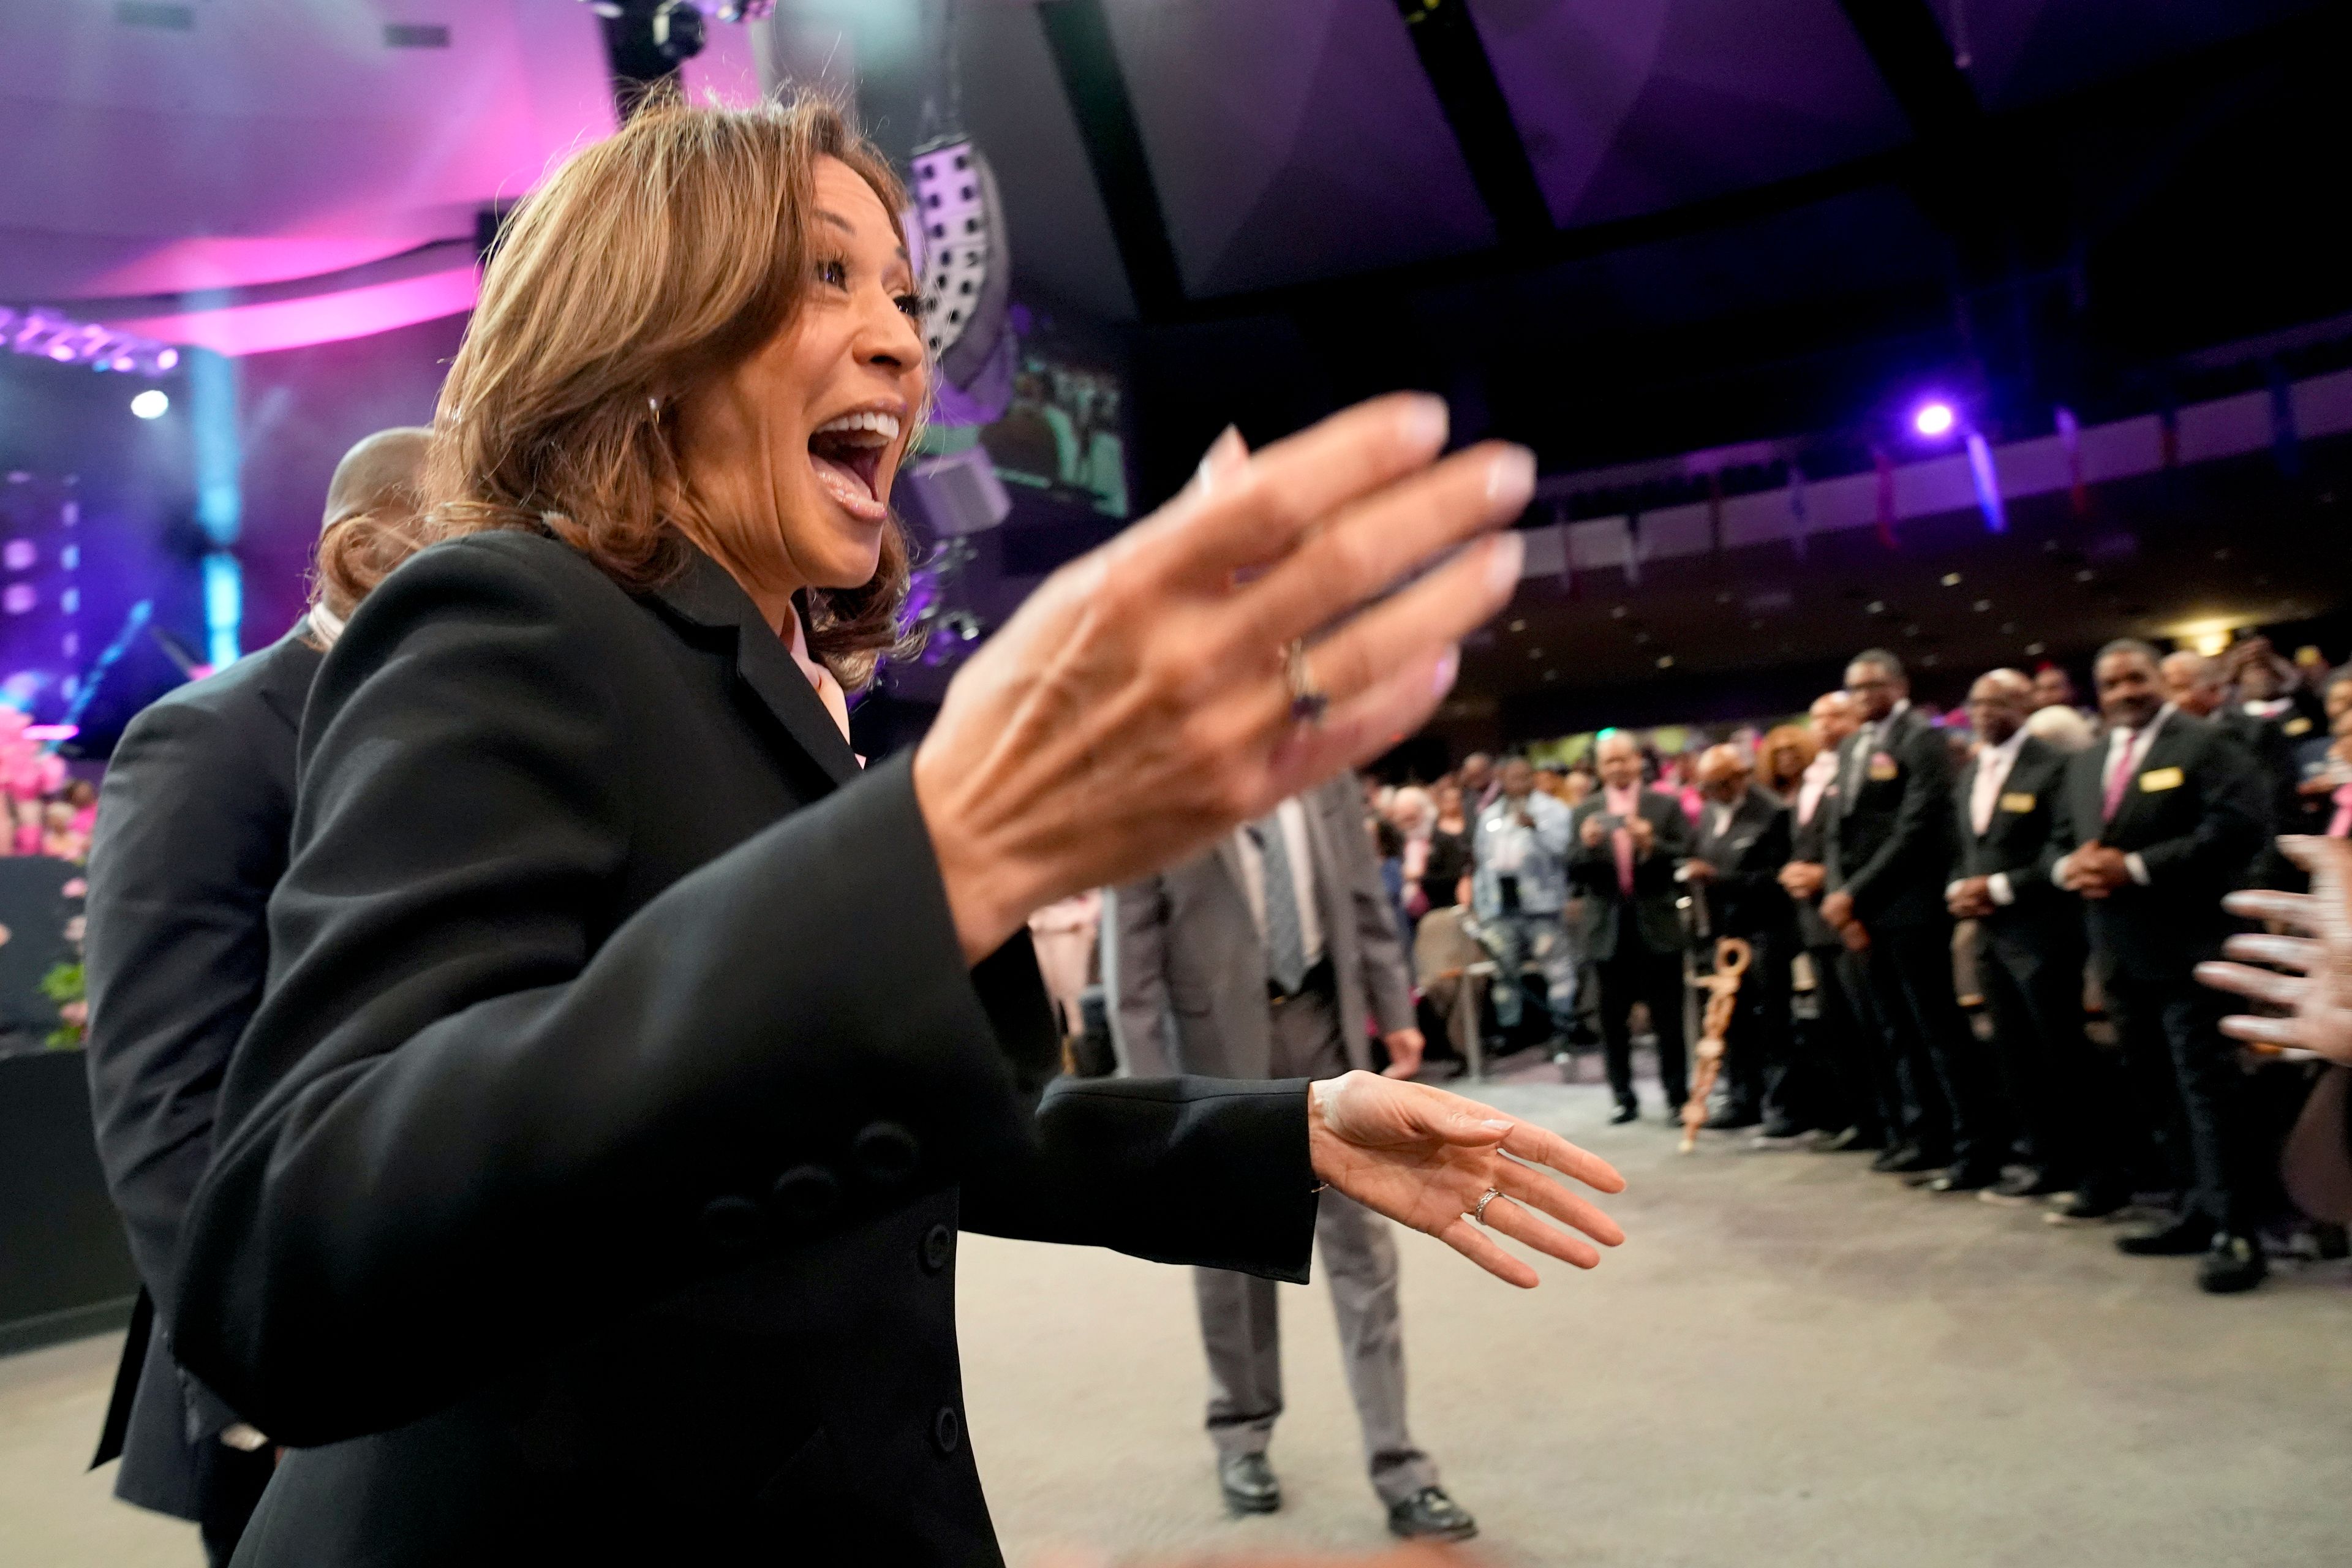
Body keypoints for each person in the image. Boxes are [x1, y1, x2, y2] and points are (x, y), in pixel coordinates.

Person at [164, 100, 1624, 1566]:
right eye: (825, 276)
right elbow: (294, 1252)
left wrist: (1279, 1131)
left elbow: (855, 1104)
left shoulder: (779, 679)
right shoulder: (503, 615)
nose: (904, 344)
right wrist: (944, 846)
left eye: (910, 300)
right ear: (646, 329)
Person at [81, 426, 431, 1566]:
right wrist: (262, 1393)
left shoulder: (472, 730)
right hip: (295, 1388)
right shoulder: (207, 742)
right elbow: (162, 1100)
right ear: (364, 554)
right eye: (484, 537)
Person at [1110, 779, 1471, 1542]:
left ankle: (1401, 1466)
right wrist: (1154, 1101)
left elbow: (1364, 903)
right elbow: (1131, 970)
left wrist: (1396, 1013)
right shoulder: (1155, 787)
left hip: (1326, 1039)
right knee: (1233, 1256)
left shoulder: (1328, 779)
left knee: (1366, 1255)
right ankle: (1241, 1433)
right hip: (1214, 1065)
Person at [2052, 639, 2268, 1292]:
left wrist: (2137, 867)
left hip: (2193, 948)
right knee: (2157, 1089)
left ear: (2161, 680)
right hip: (2119, 953)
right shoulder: (2087, 763)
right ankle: (2194, 1211)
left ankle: (2238, 1230)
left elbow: (2237, 828)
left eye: (2136, 678)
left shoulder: (2205, 744)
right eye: (2111, 683)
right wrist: (2074, 867)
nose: (2125, 692)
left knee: (2207, 1091)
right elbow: (2065, 841)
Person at [1820, 650, 2007, 1189]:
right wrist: (1841, 895)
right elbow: (1837, 830)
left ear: (1899, 685)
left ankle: (1973, 1149)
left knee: (1937, 1031)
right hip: (1863, 910)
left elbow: (1917, 825)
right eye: (1854, 688)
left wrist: (1852, 892)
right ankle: (1923, 1138)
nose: (1862, 697)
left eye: (1872, 686)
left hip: (1910, 905)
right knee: (1895, 1031)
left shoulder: (1921, 739)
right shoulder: (1854, 744)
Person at [1943, 670, 2122, 1214]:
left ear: (2023, 705)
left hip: (2044, 931)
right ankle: (2048, 1164)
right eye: (1976, 703)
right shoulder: (1974, 771)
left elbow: (2062, 847)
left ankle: (2100, 1176)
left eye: (1998, 703)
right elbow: (1966, 848)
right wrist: (1959, 887)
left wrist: (1998, 887)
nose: (1984, 712)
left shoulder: (2056, 765)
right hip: (1992, 937)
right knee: (2015, 1057)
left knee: (2064, 1056)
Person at [1570, 732, 1694, 1125]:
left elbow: (1686, 855)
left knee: (1668, 1020)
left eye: (1624, 759)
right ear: (1600, 768)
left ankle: (1677, 1097)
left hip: (1656, 924)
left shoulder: (1665, 805)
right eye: (1610, 762)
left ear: (1639, 761)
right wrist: (1587, 847)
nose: (1618, 767)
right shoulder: (1585, 810)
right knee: (1611, 1022)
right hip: (1606, 929)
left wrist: (1650, 844)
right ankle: (1623, 1097)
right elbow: (1570, 871)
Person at [1681, 744, 1793, 1133]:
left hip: (1766, 929)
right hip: (1725, 931)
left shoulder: (1773, 812)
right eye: (1706, 787)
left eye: (1721, 784)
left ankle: (1782, 1106)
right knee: (1733, 1019)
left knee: (1773, 1019)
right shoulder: (1711, 814)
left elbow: (1778, 878)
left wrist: (1717, 878)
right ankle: (1742, 1099)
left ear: (1741, 777)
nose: (1713, 793)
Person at [2162, 649, 2313, 876]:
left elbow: (2276, 811)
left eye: (2179, 689)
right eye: (2165, 690)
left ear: (2213, 691)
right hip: (2184, 875)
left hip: (2250, 870)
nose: (2169, 701)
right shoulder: (2163, 743)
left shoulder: (2256, 732)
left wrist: (2263, 874)